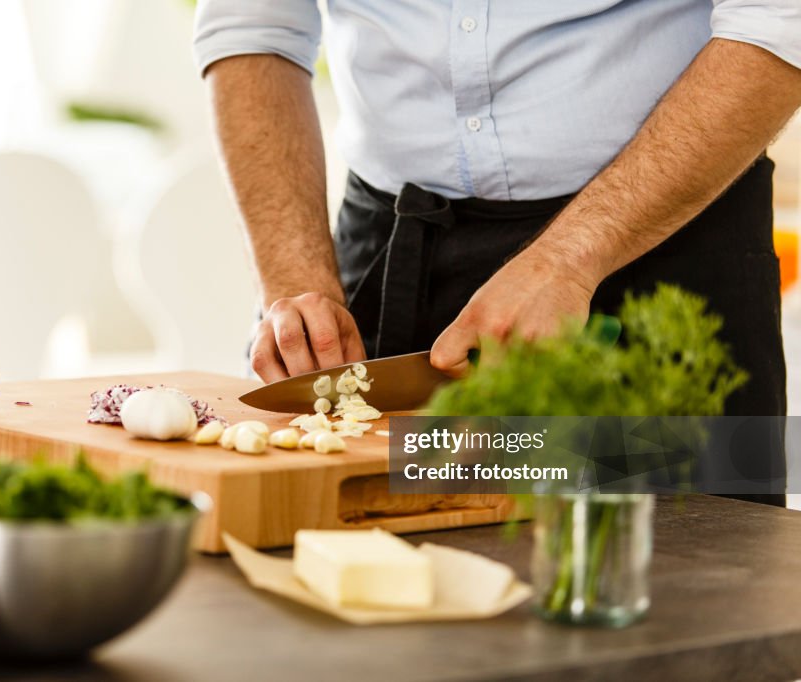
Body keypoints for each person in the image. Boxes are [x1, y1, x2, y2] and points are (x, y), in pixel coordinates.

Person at [194, 1, 801, 503]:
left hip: (670, 251)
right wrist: (294, 278)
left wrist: (569, 258)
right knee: (395, 602)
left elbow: (779, 21)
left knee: (699, 595)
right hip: (394, 267)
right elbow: (254, 27)